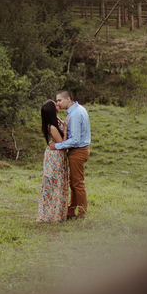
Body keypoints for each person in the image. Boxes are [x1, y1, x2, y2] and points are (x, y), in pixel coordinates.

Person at [49, 89, 90, 219]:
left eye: (59, 100)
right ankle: (71, 211)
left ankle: (82, 213)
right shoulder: (77, 110)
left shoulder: (76, 114)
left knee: (77, 183)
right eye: (57, 101)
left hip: (78, 151)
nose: (58, 103)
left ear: (68, 99)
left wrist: (57, 146)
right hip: (78, 150)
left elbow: (75, 140)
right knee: (74, 182)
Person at [36, 100, 70, 222]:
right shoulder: (52, 127)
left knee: (56, 182)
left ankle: (56, 213)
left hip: (56, 154)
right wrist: (65, 127)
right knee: (55, 182)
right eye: (55, 104)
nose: (58, 105)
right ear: (52, 110)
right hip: (55, 156)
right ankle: (52, 214)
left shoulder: (55, 120)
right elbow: (62, 143)